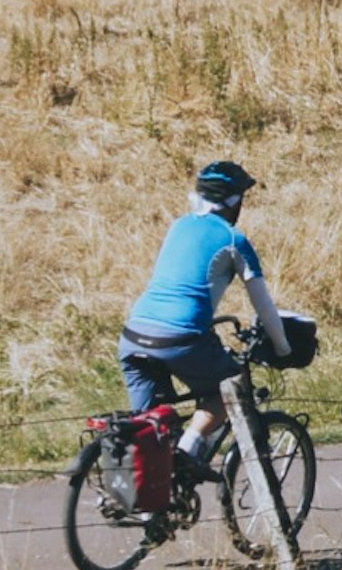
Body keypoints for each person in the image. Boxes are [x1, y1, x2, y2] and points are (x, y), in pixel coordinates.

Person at [120, 159, 291, 483]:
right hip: (180, 338)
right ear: (234, 201)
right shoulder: (233, 239)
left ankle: (149, 508)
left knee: (149, 428)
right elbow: (263, 305)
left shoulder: (178, 225)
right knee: (229, 390)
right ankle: (186, 453)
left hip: (134, 334)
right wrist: (282, 349)